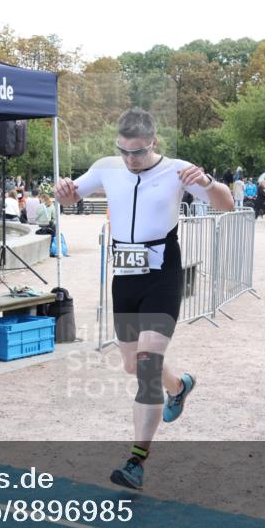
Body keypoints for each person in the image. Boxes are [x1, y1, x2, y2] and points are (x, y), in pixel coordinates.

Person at [53, 107, 233, 490]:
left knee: (147, 367)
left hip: (163, 273)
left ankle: (136, 461)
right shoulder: (106, 167)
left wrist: (209, 182)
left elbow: (226, 205)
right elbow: (70, 198)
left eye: (136, 152)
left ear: (152, 142)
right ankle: (179, 386)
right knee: (134, 366)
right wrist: (63, 192)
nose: (130, 160)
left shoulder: (178, 169)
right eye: (123, 151)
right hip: (126, 275)